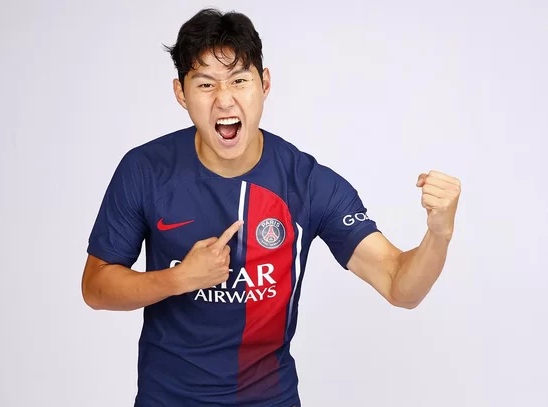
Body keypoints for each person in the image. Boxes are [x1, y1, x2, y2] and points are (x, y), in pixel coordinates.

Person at [81, 7, 461, 407]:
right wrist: (179, 279)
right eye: (205, 84)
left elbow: (400, 286)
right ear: (181, 93)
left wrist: (439, 234)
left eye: (239, 80)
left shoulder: (308, 184)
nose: (224, 100)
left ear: (264, 84)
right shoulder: (145, 170)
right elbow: (95, 287)